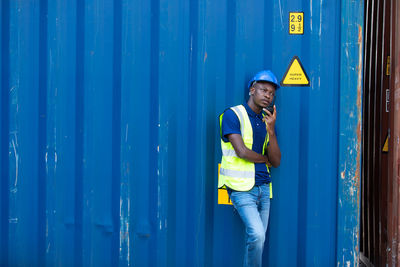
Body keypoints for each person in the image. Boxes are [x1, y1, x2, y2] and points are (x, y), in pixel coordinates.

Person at [218, 70, 281, 267]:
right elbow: (242, 152)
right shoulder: (232, 114)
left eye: (271, 93)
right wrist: (265, 159)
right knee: (257, 235)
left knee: (256, 240)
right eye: (263, 90)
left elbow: (276, 161)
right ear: (252, 89)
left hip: (264, 188)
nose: (267, 95)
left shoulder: (266, 120)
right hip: (241, 189)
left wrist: (271, 129)